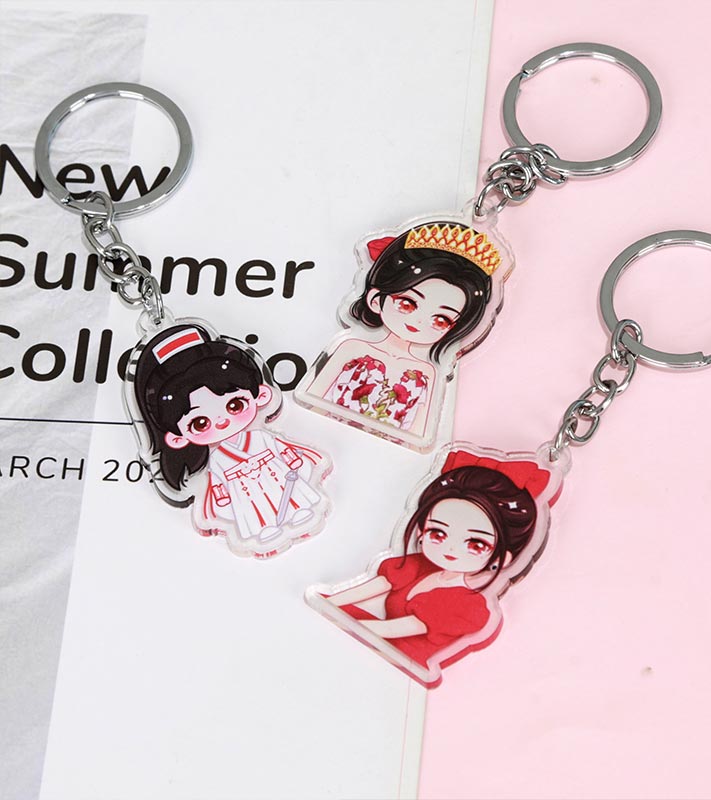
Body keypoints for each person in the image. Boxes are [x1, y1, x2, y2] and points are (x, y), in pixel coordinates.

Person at [314, 449, 554, 685]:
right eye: (438, 533)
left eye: (475, 544)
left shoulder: (468, 604)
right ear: (421, 528)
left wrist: (336, 627)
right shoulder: (418, 566)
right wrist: (330, 603)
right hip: (372, 642)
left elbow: (392, 629)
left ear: (504, 557)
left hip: (397, 668)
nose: (451, 549)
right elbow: (375, 587)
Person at [130, 323, 329, 556]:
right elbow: (216, 483)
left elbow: (282, 448)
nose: (222, 422)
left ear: (260, 395)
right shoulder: (216, 459)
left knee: (294, 496)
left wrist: (292, 458)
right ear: (176, 438)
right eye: (200, 423)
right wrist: (222, 498)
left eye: (235, 405)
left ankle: (299, 510)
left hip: (275, 474)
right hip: (242, 490)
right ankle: (261, 529)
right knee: (252, 511)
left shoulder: (260, 436)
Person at [297, 221, 503, 446]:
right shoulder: (351, 347)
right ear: (376, 299)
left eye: (441, 319)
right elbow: (311, 397)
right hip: (317, 435)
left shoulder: (426, 373)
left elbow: (419, 435)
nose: (419, 321)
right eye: (407, 303)